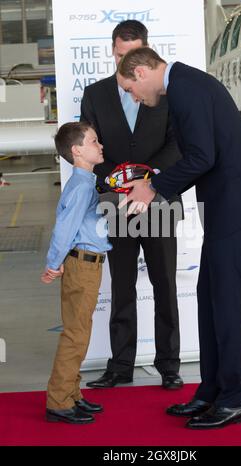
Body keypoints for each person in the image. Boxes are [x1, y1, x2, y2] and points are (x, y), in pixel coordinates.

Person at [117, 47, 241, 429]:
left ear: (141, 71)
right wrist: (150, 180)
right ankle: (210, 391)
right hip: (227, 203)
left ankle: (233, 399)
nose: (133, 97)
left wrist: (152, 188)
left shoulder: (187, 88)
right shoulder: (185, 85)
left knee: (226, 303)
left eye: (130, 88)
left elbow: (202, 158)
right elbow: (196, 154)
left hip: (237, 203)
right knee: (210, 299)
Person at [80, 20, 184, 390]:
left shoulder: (168, 94)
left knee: (164, 286)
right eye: (120, 55)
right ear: (112, 50)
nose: (126, 63)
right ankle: (120, 366)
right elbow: (90, 152)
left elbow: (178, 145)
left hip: (159, 201)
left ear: (146, 52)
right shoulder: (95, 95)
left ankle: (169, 366)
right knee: (121, 287)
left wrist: (148, 181)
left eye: (133, 55)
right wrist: (119, 183)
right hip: (116, 204)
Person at [41, 122, 112, 424]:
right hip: (81, 265)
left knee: (79, 332)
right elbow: (65, 229)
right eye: (94, 141)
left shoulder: (87, 181)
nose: (101, 146)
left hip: (88, 263)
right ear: (77, 150)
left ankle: (72, 394)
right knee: (75, 334)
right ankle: (58, 401)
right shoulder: (82, 186)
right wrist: (53, 263)